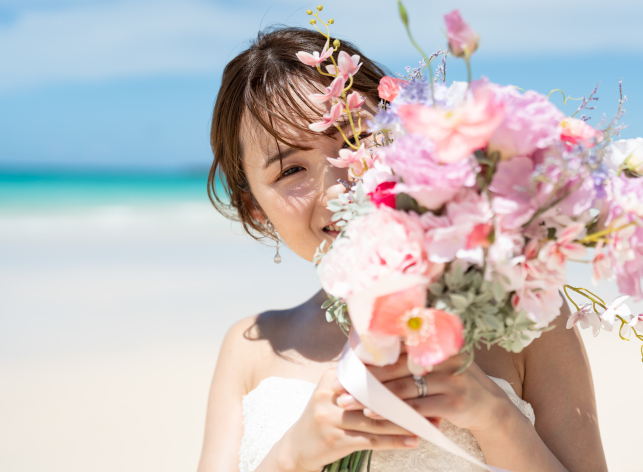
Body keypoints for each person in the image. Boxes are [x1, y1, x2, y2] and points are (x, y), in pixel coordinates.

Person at [196, 26, 607, 472]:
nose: (338, 188)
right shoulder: (249, 347)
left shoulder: (529, 312)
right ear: (254, 207)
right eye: (292, 169)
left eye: (355, 139)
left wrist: (494, 417)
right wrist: (294, 454)